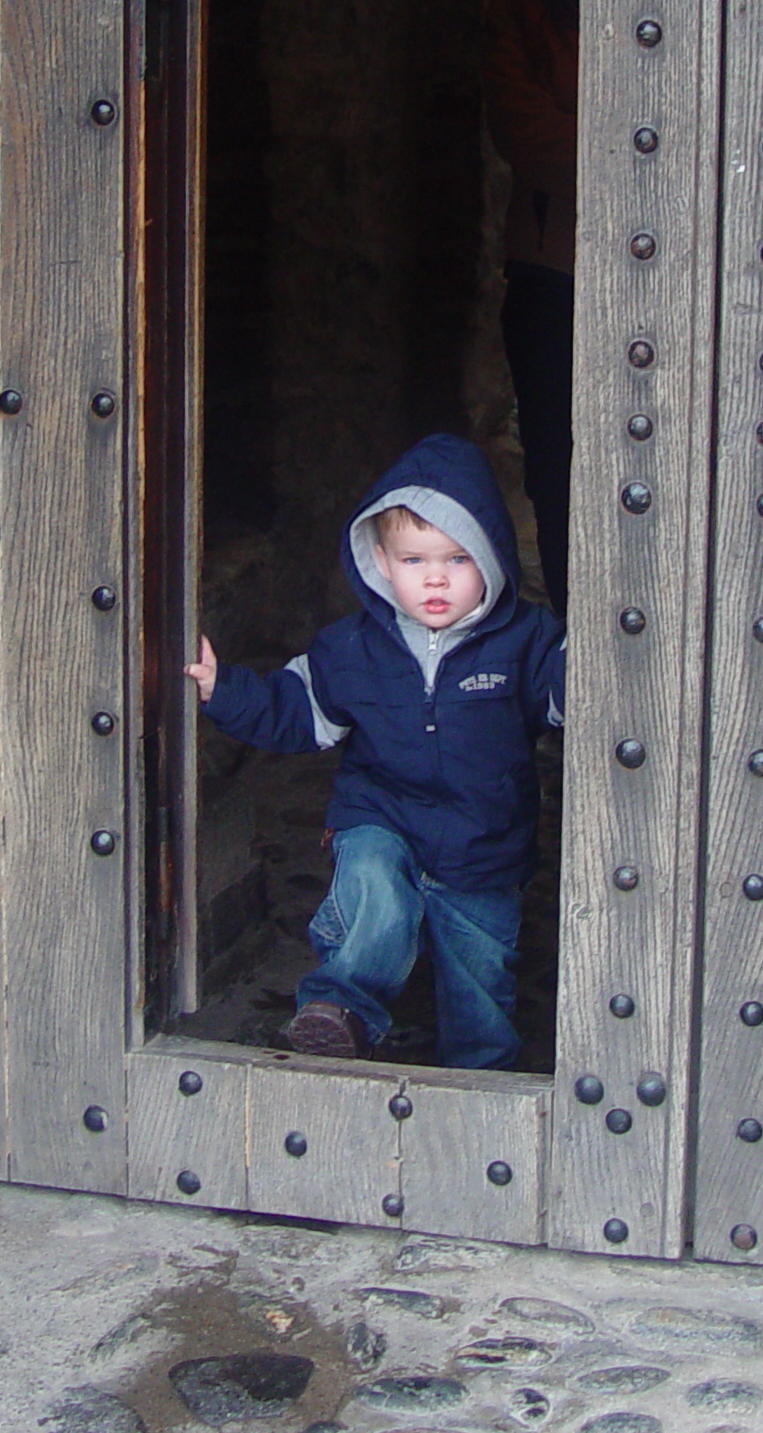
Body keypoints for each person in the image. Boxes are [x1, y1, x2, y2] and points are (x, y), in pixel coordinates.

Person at [185, 434, 565, 1069]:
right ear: (382, 563)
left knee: (480, 981)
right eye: (415, 560)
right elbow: (295, 710)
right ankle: (341, 1011)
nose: (436, 577)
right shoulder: (351, 649)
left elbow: (574, 691)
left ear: (494, 558)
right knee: (372, 886)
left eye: (458, 559)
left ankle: (483, 1082)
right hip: (381, 814)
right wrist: (226, 690)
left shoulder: (527, 643)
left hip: (483, 841)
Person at [485, 0, 581, 614]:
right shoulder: (516, 13)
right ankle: (577, 637)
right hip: (554, 274)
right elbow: (531, 136)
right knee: (557, 462)